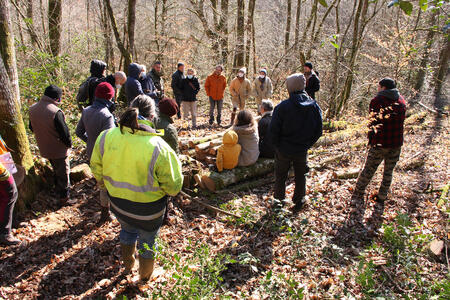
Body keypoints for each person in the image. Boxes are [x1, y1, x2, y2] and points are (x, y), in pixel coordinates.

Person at [90, 107, 183, 281]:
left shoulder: (105, 137)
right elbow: (173, 187)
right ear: (151, 118)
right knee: (147, 241)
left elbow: (96, 167)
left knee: (127, 230)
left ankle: (127, 267)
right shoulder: (158, 147)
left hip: (118, 205)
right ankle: (145, 277)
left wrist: (106, 186)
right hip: (150, 211)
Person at [270, 73, 323, 212]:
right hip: (301, 149)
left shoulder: (282, 107)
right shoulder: (314, 106)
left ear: (289, 88)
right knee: (301, 176)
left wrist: (277, 147)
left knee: (281, 176)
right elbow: (318, 130)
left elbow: (273, 131)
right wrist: (306, 144)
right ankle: (299, 200)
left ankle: (279, 201)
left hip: (284, 149)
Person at [354, 78, 406, 202]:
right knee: (388, 171)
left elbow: (372, 123)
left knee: (369, 168)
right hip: (396, 143)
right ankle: (382, 195)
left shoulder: (377, 101)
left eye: (379, 86)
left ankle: (359, 191)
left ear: (383, 87)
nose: (377, 89)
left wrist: (370, 139)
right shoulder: (401, 100)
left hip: (380, 142)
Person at [76, 82, 116, 223]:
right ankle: (106, 212)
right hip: (106, 155)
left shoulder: (86, 111)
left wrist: (90, 142)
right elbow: (111, 140)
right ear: (109, 98)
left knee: (101, 183)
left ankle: (106, 210)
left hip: (91, 152)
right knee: (108, 184)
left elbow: (78, 132)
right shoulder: (107, 116)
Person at [29, 85, 72, 204]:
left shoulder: (33, 108)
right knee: (64, 172)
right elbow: (65, 133)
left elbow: (31, 127)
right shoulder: (55, 111)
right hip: (58, 149)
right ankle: (64, 198)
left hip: (44, 147)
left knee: (55, 168)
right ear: (56, 98)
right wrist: (69, 145)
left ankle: (57, 189)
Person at [0, 138, 20, 245]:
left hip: (3, 161)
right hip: (1, 169)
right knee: (10, 194)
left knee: (8, 195)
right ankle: (4, 233)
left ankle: (9, 224)